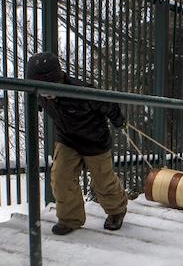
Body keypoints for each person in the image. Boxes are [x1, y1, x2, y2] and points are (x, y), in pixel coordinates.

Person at [25, 53, 128, 236]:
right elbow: (38, 103)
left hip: (94, 140)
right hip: (68, 139)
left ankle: (116, 210)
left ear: (58, 80)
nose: (45, 95)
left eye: (48, 89)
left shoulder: (81, 91)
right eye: (40, 90)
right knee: (60, 177)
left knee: (103, 181)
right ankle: (70, 218)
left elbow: (108, 104)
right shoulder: (39, 92)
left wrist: (118, 120)